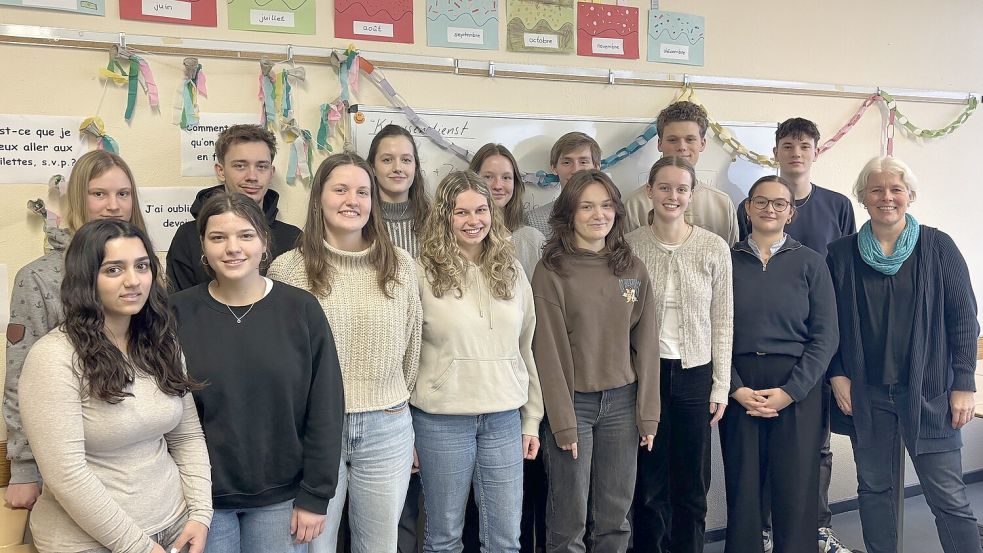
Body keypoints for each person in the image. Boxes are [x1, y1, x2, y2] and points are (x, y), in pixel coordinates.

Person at [20, 218, 211, 553]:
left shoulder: (161, 342)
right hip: (88, 541)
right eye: (113, 270)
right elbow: (67, 476)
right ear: (87, 279)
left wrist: (200, 514)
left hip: (175, 527)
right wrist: (139, 547)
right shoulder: (53, 357)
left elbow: (188, 437)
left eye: (141, 266)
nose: (133, 281)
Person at [170, 192, 344, 553]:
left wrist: (315, 495)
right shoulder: (175, 313)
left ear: (264, 242)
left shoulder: (301, 309)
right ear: (202, 245)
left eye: (246, 235)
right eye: (218, 237)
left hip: (281, 497)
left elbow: (325, 407)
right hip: (201, 500)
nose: (233, 248)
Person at [268, 153, 422, 553]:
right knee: (312, 546)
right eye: (340, 189)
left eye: (362, 191)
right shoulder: (288, 271)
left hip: (386, 427)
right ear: (319, 197)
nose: (352, 200)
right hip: (316, 431)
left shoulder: (400, 266)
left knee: (380, 546)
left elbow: (411, 346)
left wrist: (393, 402)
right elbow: (283, 361)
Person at [826, 156, 981, 553]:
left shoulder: (938, 246)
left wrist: (964, 382)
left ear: (909, 195)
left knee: (948, 497)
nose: (886, 197)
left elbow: (964, 318)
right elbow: (829, 323)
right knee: (875, 490)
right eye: (876, 189)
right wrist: (837, 373)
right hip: (869, 394)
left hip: (930, 393)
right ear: (862, 197)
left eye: (895, 189)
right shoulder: (841, 254)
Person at [737, 117, 857, 553]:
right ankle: (762, 536)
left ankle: (814, 531)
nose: (796, 152)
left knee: (809, 459)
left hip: (807, 360)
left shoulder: (831, 220)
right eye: (787, 145)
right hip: (746, 371)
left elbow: (837, 297)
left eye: (804, 145)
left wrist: (808, 379)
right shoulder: (733, 257)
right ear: (748, 208)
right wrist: (734, 385)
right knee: (751, 472)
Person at [4, 150, 148, 511]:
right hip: (71, 457)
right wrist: (23, 468)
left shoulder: (147, 272)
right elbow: (20, 375)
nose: (114, 206)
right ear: (77, 199)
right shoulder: (39, 276)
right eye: (99, 194)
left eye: (123, 194)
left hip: (140, 454)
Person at [412, 170, 543, 552]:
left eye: (481, 210)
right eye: (461, 212)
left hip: (503, 418)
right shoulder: (420, 271)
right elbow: (407, 352)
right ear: (444, 217)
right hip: (441, 420)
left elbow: (526, 347)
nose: (474, 221)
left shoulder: (512, 269)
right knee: (444, 537)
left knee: (505, 540)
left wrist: (532, 418)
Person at [532, 169, 660, 553]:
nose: (598, 214)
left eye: (606, 205)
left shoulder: (630, 268)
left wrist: (647, 414)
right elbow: (548, 353)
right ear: (569, 213)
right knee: (568, 521)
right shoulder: (551, 271)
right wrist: (563, 423)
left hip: (622, 405)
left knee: (615, 519)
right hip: (574, 405)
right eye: (586, 206)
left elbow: (646, 343)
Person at [721, 175, 838, 553]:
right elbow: (712, 330)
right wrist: (734, 387)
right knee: (743, 487)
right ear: (747, 208)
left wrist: (792, 392)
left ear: (790, 213)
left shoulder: (811, 263)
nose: (769, 209)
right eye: (761, 201)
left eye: (779, 203)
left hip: (796, 387)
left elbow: (825, 336)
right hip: (740, 386)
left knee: (796, 489)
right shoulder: (726, 260)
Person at [626, 157, 732, 553]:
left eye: (681, 189)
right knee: (649, 485)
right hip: (646, 375)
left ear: (692, 194)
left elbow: (723, 321)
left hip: (694, 376)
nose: (673, 196)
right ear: (650, 191)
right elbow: (626, 311)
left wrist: (720, 386)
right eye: (665, 187)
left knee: (692, 485)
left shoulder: (713, 248)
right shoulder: (631, 246)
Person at [167, 124, 301, 292]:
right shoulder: (188, 237)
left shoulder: (294, 239)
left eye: (261, 166)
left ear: (271, 173)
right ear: (221, 171)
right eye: (240, 166)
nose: (252, 176)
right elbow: (178, 309)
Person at [621, 101, 738, 245]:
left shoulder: (722, 204)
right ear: (659, 144)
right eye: (672, 140)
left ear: (702, 144)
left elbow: (730, 260)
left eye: (690, 139)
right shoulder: (635, 204)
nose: (682, 147)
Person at [470, 143, 545, 280]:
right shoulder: (461, 239)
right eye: (488, 177)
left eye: (506, 177)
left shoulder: (531, 240)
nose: (498, 186)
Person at [366, 124, 432, 258]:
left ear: (415, 167)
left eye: (406, 160)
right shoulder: (361, 220)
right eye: (387, 160)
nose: (397, 167)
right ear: (373, 167)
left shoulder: (433, 221)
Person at [524, 132, 601, 237]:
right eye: (567, 162)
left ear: (596, 167)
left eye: (583, 162)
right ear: (554, 168)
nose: (575, 170)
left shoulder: (610, 216)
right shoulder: (533, 221)